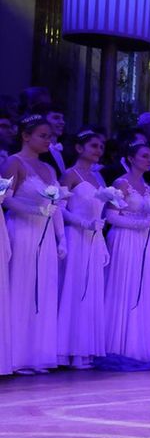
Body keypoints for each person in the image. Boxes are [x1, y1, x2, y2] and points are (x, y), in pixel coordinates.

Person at [2, 116, 67, 373]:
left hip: (45, 235)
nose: (48, 141)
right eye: (42, 135)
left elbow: (57, 205)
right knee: (22, 287)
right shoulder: (13, 162)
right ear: (25, 136)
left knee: (43, 289)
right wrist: (33, 209)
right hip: (22, 230)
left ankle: (37, 353)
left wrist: (62, 238)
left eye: (50, 137)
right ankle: (16, 354)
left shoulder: (49, 170)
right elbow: (3, 198)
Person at [58, 129, 114, 368]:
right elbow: (59, 209)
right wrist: (82, 223)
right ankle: (67, 350)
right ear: (79, 148)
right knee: (75, 287)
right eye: (93, 146)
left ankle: (85, 348)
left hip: (93, 238)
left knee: (91, 289)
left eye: (100, 147)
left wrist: (100, 238)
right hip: (76, 235)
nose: (98, 151)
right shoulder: (69, 175)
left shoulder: (98, 179)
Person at [103, 142, 150, 362]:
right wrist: (139, 225)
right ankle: (115, 343)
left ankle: (134, 343)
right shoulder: (122, 183)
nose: (148, 160)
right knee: (122, 286)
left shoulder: (146, 187)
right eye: (144, 156)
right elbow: (111, 215)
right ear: (131, 158)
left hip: (141, 241)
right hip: (124, 239)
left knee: (137, 286)